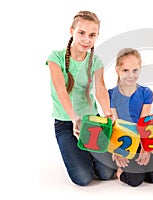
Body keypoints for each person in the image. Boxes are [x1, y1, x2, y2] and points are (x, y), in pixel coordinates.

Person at [46, 11, 116, 186]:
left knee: (107, 173)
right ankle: (82, 154)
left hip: (92, 121)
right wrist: (74, 118)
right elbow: (61, 90)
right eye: (81, 33)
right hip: (66, 122)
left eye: (92, 35)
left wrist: (107, 111)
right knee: (83, 178)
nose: (87, 39)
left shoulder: (96, 61)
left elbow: (100, 88)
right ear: (72, 31)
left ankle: (88, 154)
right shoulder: (56, 58)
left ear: (97, 36)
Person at [108, 48, 153, 187]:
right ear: (117, 70)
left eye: (135, 70)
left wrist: (145, 147)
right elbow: (114, 124)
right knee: (135, 180)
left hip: (140, 139)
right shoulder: (111, 94)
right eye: (125, 70)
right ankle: (119, 172)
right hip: (122, 143)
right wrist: (117, 151)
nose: (130, 75)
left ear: (140, 70)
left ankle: (138, 166)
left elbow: (144, 123)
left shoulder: (146, 93)